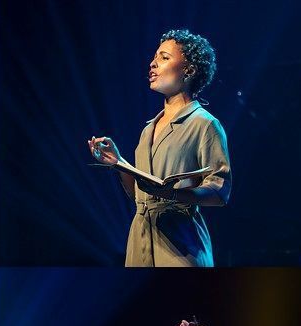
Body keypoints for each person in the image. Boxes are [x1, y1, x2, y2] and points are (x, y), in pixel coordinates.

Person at [89, 29, 232, 267]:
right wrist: (119, 163)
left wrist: (174, 194)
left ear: (189, 70)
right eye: (155, 57)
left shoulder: (204, 124)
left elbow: (220, 192)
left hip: (180, 243)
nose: (153, 64)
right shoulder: (148, 129)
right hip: (140, 237)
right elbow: (138, 194)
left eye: (164, 58)